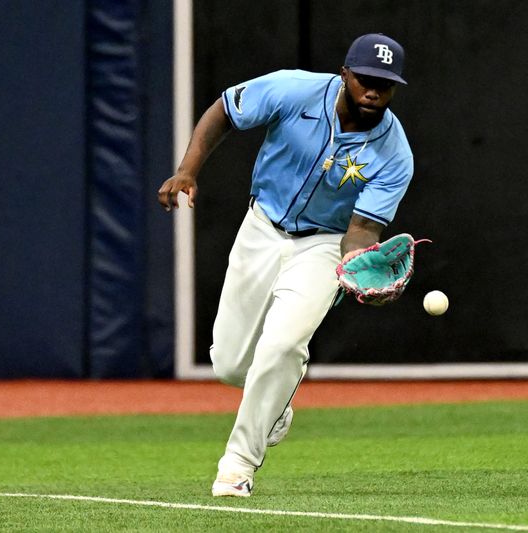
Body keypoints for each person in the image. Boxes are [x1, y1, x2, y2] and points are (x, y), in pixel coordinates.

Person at [157, 33, 413, 497]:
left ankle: (236, 467)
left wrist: (359, 262)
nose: (374, 91)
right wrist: (189, 169)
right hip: (261, 226)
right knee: (231, 365)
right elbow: (224, 111)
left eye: (386, 84)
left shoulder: (394, 154)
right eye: (366, 80)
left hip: (324, 244)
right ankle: (276, 403)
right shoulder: (293, 89)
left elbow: (361, 229)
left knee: (282, 345)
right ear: (345, 74)